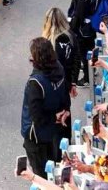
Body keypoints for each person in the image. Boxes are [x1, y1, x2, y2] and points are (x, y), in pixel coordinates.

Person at [21, 37, 69, 178]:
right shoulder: (59, 68)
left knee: (41, 176)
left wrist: (54, 117)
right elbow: (64, 94)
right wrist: (65, 111)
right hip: (53, 130)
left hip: (35, 135)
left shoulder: (35, 83)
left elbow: (37, 116)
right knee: (53, 167)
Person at [68, 0, 104, 86]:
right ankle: (92, 68)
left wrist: (72, 29)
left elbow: (79, 14)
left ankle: (88, 79)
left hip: (84, 27)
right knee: (91, 46)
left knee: (83, 52)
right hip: (94, 22)